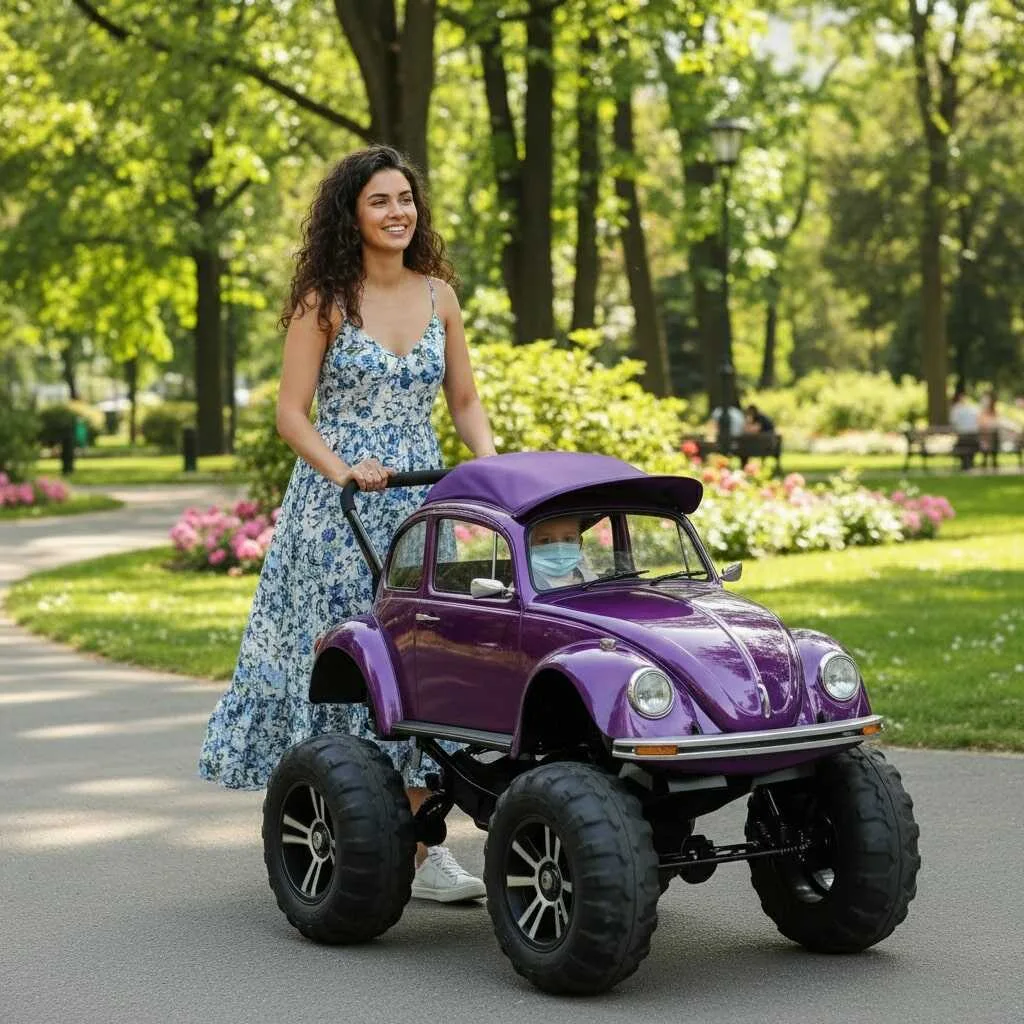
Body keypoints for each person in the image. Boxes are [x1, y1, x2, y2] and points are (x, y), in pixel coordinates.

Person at [198, 146, 497, 902]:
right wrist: (343, 470)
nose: (398, 212)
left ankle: (426, 848)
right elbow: (290, 414)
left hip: (419, 505)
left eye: (406, 199)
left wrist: (493, 468)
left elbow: (464, 401)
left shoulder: (440, 296)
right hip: (339, 512)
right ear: (352, 215)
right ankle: (346, 832)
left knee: (422, 661)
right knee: (351, 670)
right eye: (379, 201)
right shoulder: (325, 300)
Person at [529, 516, 598, 590]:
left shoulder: (591, 580)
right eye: (545, 540)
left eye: (568, 539)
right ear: (528, 544)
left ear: (580, 543)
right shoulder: (525, 583)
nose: (559, 550)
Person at [949, 388, 979, 470]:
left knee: (962, 444)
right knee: (968, 443)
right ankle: (968, 463)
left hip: (964, 438)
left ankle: (966, 463)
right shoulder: (974, 408)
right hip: (973, 438)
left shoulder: (956, 409)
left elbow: (953, 423)